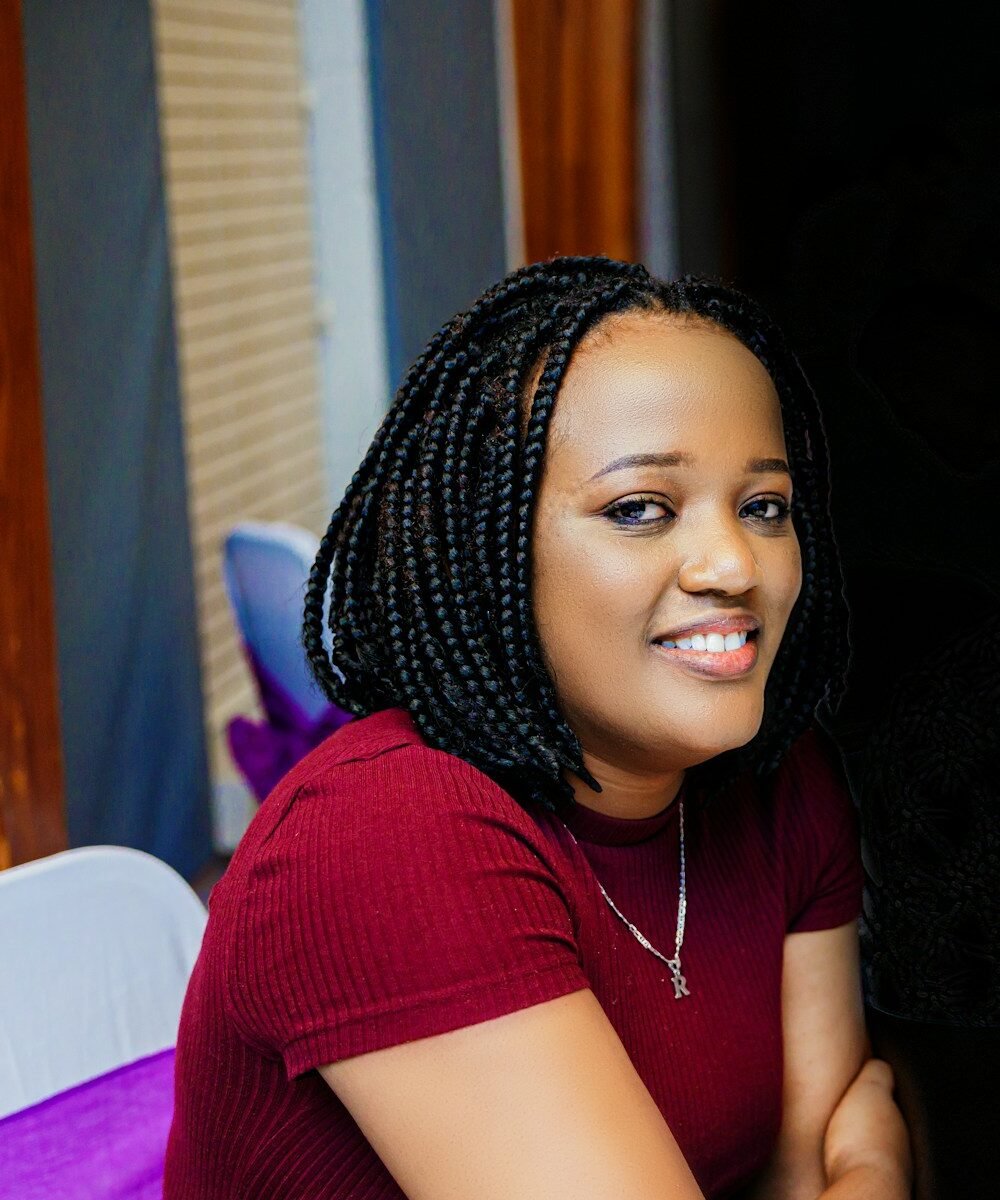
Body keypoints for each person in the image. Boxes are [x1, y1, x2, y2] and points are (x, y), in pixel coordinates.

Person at [164, 257, 913, 1199]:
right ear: (491, 546)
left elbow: (795, 1173)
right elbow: (837, 1155)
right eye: (640, 509)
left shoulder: (778, 781)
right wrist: (878, 1167)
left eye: (764, 507)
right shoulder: (383, 833)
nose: (734, 564)